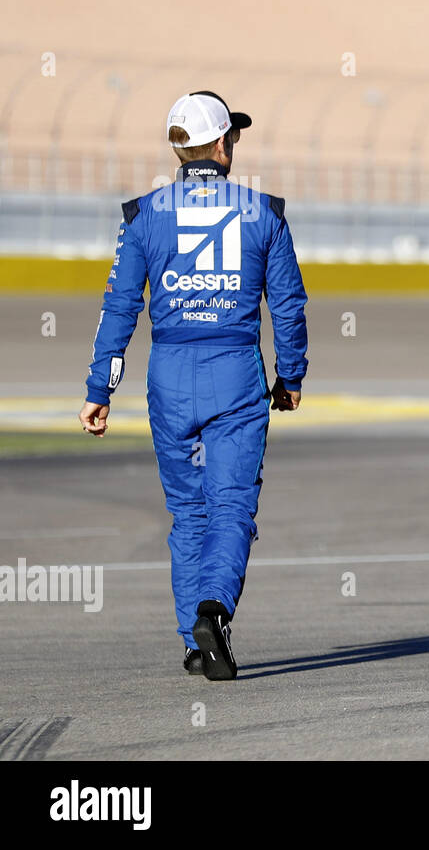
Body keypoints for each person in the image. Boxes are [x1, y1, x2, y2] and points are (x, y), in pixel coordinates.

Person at [78, 91, 308, 681]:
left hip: (169, 374)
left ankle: (194, 639)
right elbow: (287, 303)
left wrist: (99, 389)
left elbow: (120, 305)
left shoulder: (143, 213)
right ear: (223, 142)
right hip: (235, 372)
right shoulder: (264, 211)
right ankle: (214, 610)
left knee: (187, 513)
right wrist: (292, 375)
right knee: (231, 505)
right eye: (233, 135)